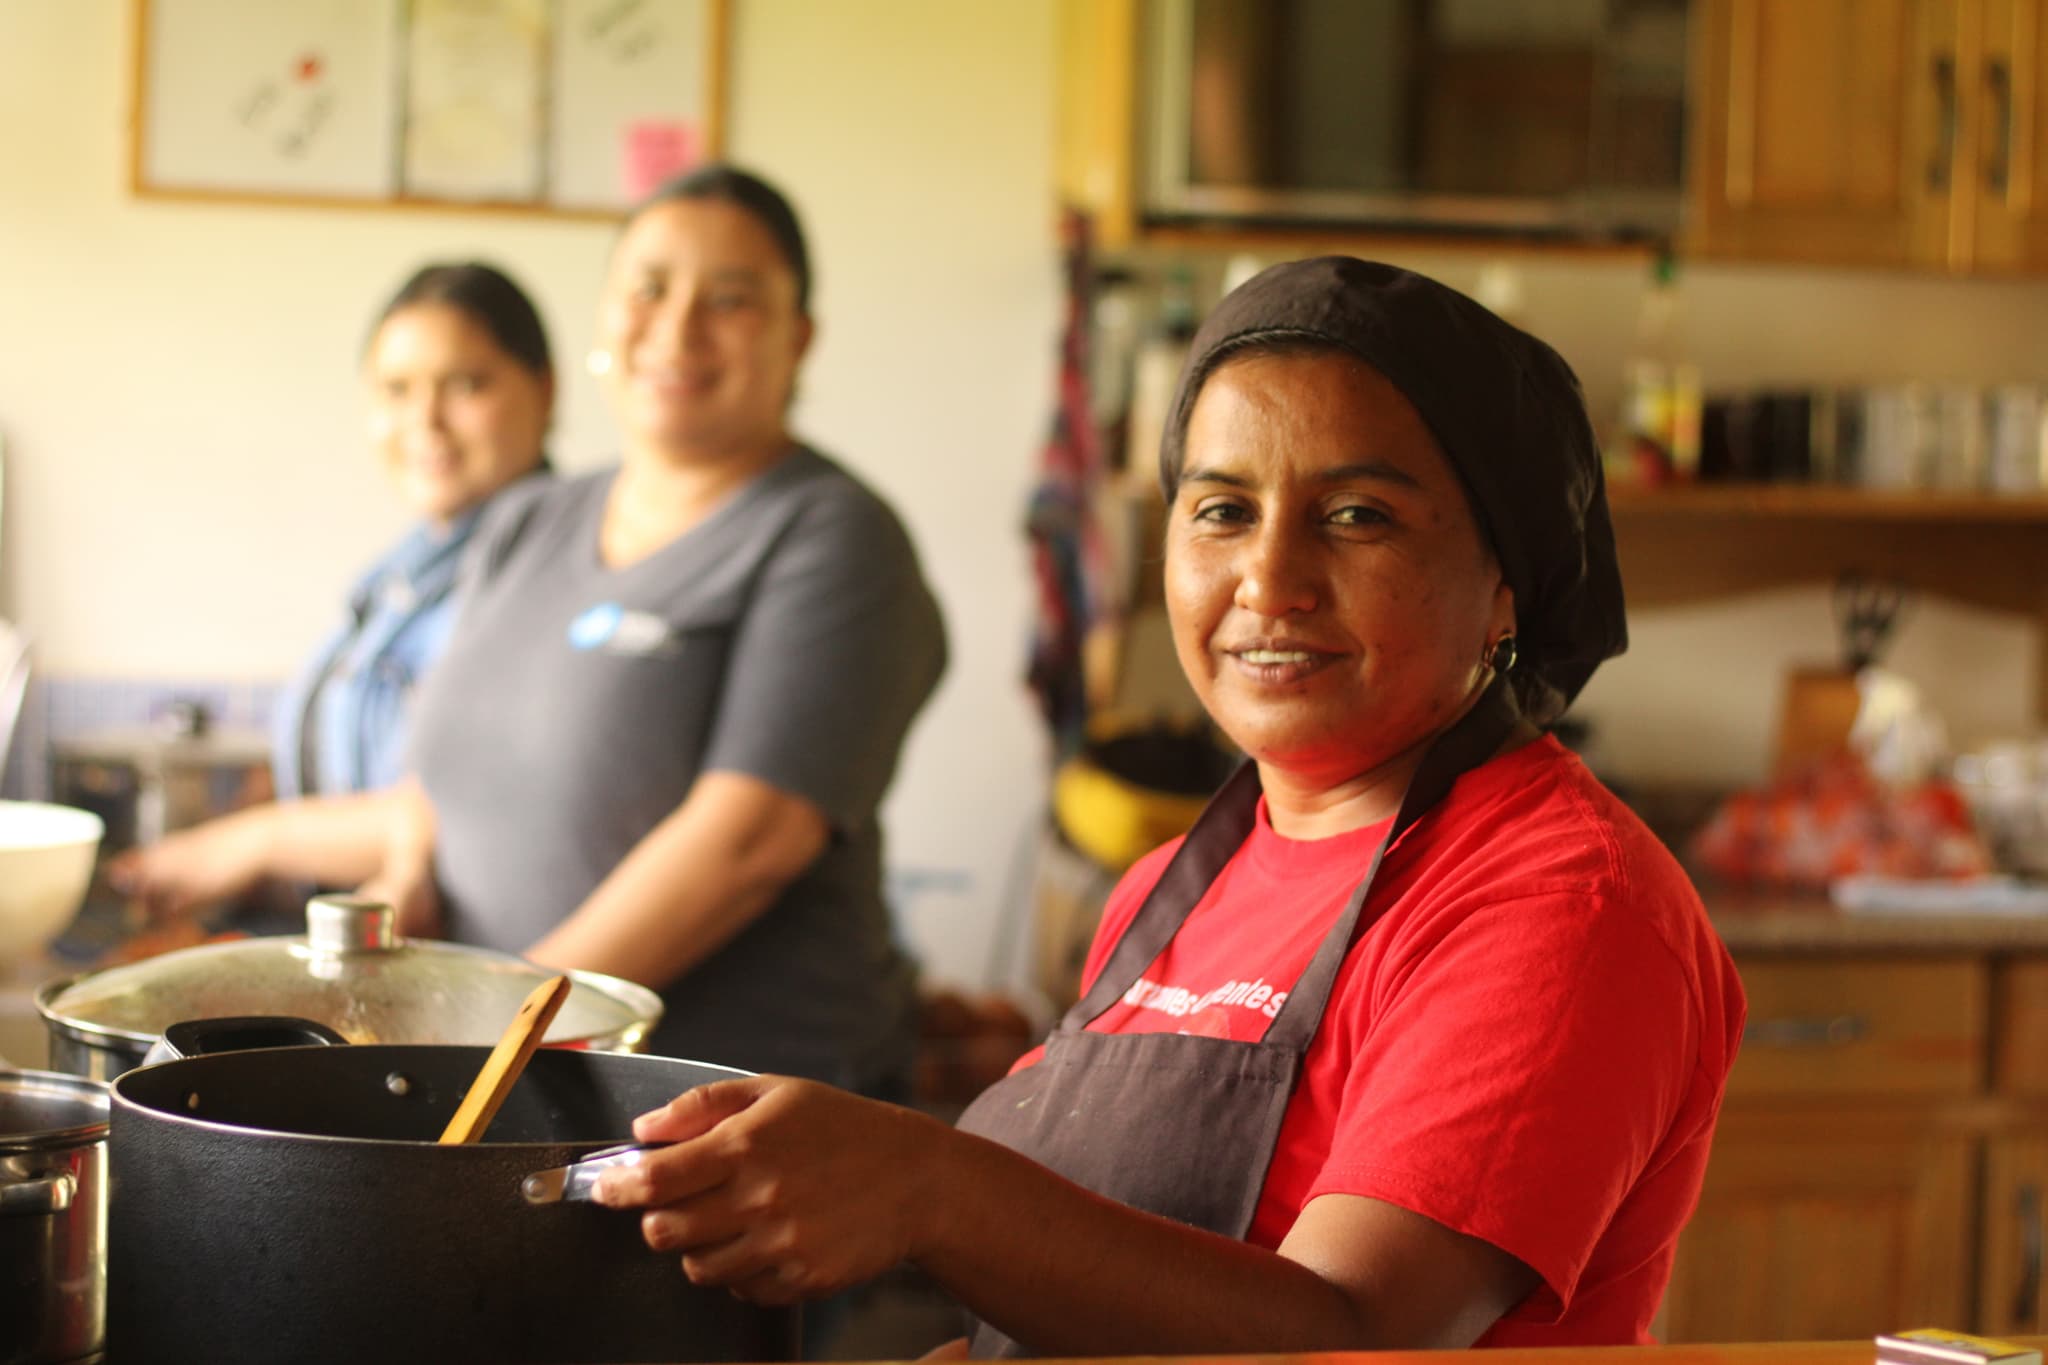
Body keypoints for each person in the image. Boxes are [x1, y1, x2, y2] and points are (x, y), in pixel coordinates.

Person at [587, 257, 1746, 1355]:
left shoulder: (1560, 905)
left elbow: (1353, 1339)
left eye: (1356, 516)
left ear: (1505, 588)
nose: (1267, 581)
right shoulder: (1174, 882)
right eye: (1221, 510)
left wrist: (926, 1187)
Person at [115, 166, 948, 1098]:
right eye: (648, 287)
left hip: (717, 1106)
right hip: (518, 1084)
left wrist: (490, 1032)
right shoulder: (529, 520)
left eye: (732, 299)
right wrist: (403, 885)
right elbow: (442, 784)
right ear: (603, 318)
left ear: (799, 338)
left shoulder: (832, 536)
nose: (676, 327)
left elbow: (746, 843)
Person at [109, 261, 554, 906]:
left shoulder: (555, 573)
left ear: (544, 390)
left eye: (465, 384)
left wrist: (251, 842)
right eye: (396, 389)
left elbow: (473, 808)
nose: (425, 419)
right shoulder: (402, 573)